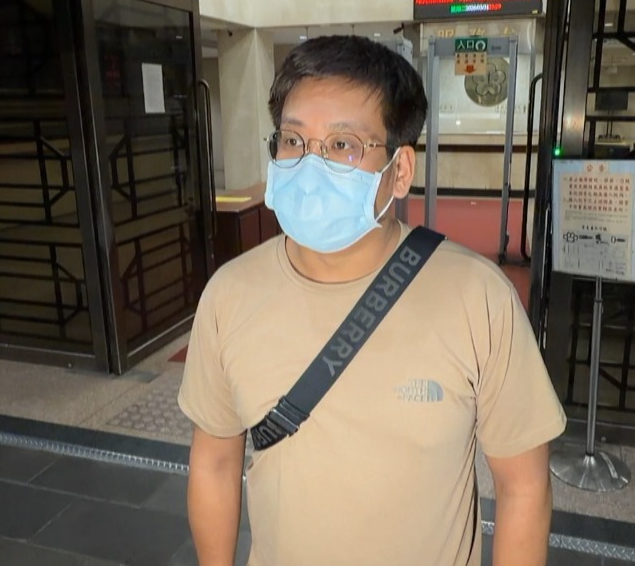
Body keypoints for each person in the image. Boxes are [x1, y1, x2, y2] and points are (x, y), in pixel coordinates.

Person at [178, 35, 567, 566]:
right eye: (293, 140)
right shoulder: (229, 294)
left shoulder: (478, 298)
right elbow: (215, 464)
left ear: (400, 171)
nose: (309, 165)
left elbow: (523, 486)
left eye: (343, 145)